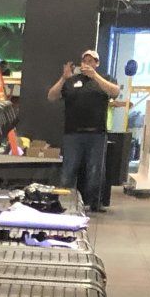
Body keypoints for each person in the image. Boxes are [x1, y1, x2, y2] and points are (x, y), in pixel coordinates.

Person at [46, 50, 118, 212]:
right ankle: (64, 203)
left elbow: (115, 92)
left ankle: (94, 203)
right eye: (85, 60)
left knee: (95, 170)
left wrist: (95, 76)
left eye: (91, 61)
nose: (87, 63)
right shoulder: (72, 81)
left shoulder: (104, 80)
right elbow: (51, 96)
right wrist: (64, 78)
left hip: (97, 133)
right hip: (73, 133)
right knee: (68, 170)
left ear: (97, 63)